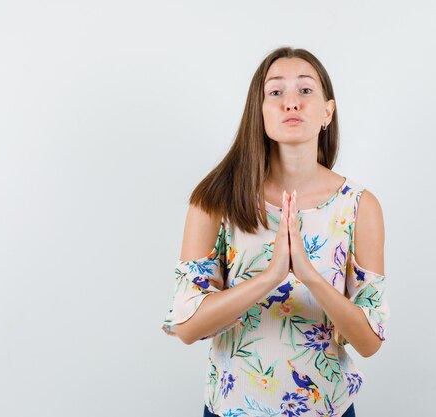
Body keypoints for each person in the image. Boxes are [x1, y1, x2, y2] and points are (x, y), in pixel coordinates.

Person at [161, 46, 390, 417]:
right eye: (275, 92)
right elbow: (186, 327)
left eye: (305, 90)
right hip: (232, 410)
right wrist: (270, 276)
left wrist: (309, 276)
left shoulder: (359, 206)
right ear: (260, 112)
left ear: (327, 112)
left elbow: (369, 341)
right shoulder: (216, 200)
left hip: (327, 409)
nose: (291, 103)